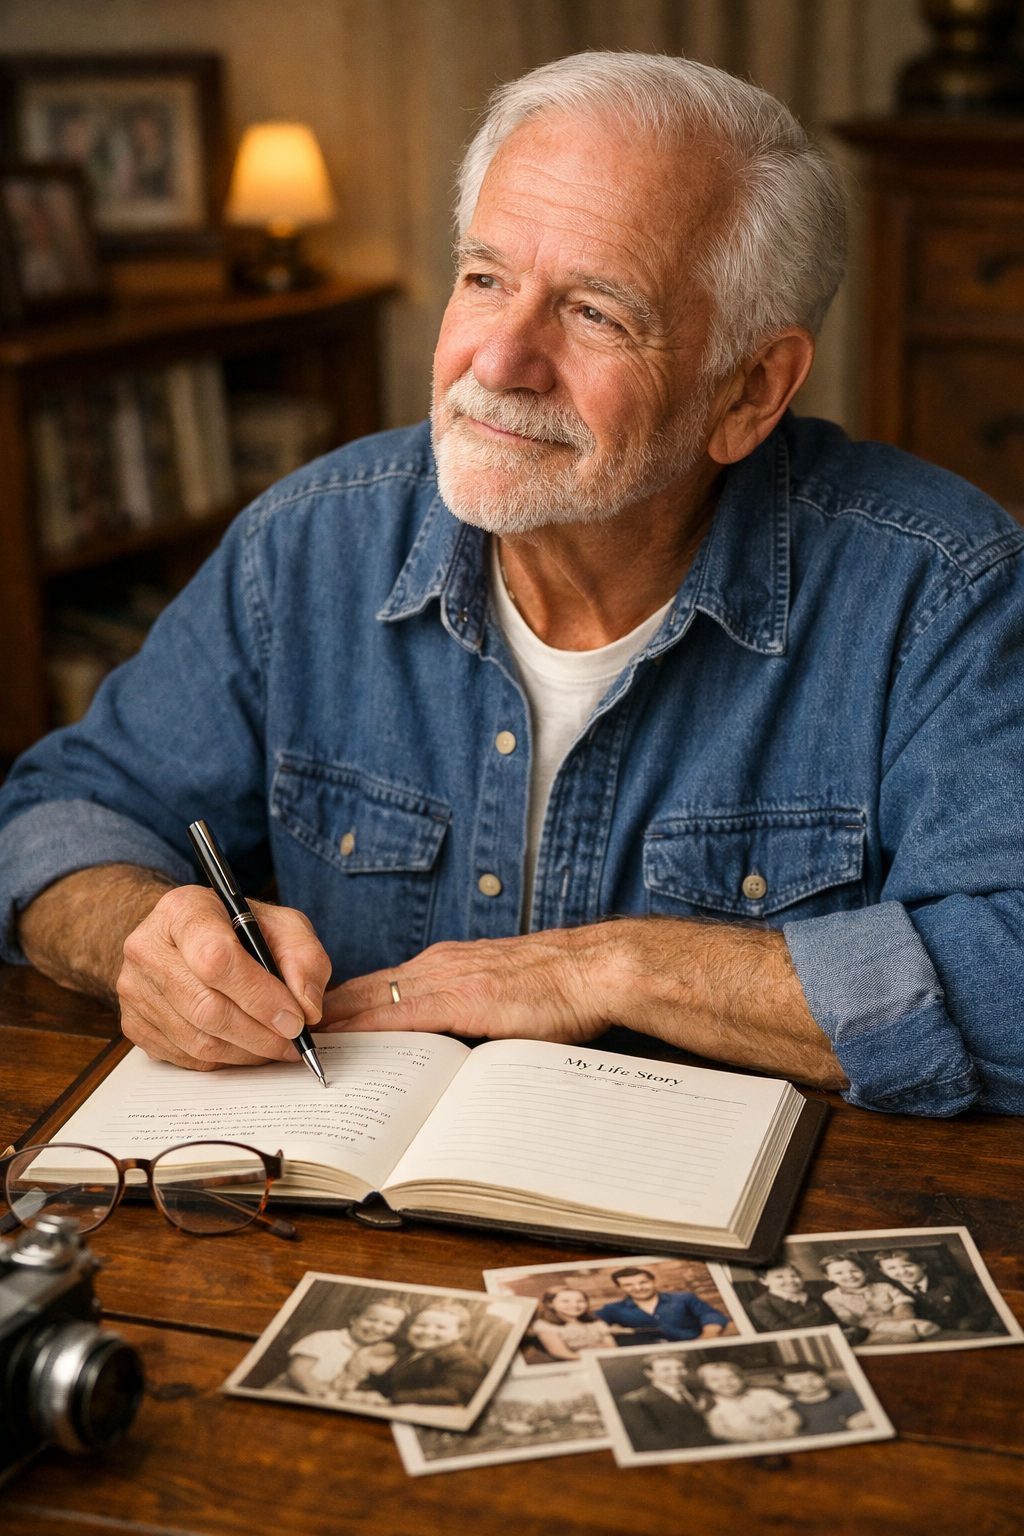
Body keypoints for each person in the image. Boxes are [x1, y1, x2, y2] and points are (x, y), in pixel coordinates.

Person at [1, 53, 1022, 1120]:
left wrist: (610, 970)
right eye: (485, 278)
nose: (498, 360)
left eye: (593, 313)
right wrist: (142, 933)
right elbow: (58, 818)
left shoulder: (939, 594)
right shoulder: (307, 542)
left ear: (749, 389)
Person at [350, 1301, 489, 1408]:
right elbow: (384, 1381)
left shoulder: (463, 1359)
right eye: (421, 1325)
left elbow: (455, 1394)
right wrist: (363, 1391)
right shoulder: (407, 1352)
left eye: (440, 1327)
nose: (427, 1332)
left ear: (459, 1333)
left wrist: (392, 1398)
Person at [282, 1295, 409, 1399]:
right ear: (354, 1319)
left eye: (389, 1324)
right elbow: (298, 1371)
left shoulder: (383, 1354)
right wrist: (321, 1394)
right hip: (290, 1395)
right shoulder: (325, 1338)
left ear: (396, 1331)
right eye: (371, 1319)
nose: (377, 1327)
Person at [819, 1255, 941, 1346]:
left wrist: (903, 1315)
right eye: (839, 1273)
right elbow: (847, 1319)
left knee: (928, 1327)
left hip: (899, 1321)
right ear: (829, 1277)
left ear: (865, 1272)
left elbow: (902, 1303)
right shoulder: (830, 1296)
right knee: (898, 1338)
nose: (849, 1276)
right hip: (866, 1329)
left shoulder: (884, 1286)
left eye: (855, 1271)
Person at [872, 1250, 999, 1335]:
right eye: (892, 1268)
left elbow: (981, 1308)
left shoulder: (952, 1283)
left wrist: (970, 1324)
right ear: (884, 1272)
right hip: (923, 1335)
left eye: (908, 1265)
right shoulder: (891, 1291)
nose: (902, 1271)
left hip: (963, 1330)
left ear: (922, 1265)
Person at [745, 1263, 868, 1346]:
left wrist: (849, 1329)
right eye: (779, 1277)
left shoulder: (814, 1298)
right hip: (802, 1343)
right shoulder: (761, 1304)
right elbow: (782, 1329)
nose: (791, 1280)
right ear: (764, 1281)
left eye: (795, 1275)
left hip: (833, 1338)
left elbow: (833, 1321)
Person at [596, 1267, 728, 1343]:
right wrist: (608, 1332)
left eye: (643, 1282)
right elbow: (588, 1323)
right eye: (628, 1285)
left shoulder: (684, 1298)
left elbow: (709, 1314)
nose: (638, 1288)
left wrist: (709, 1335)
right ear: (619, 1287)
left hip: (693, 1343)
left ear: (654, 1281)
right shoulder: (613, 1308)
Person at [616, 1353, 716, 1452]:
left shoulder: (700, 1393)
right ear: (649, 1373)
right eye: (666, 1369)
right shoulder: (634, 1400)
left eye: (680, 1368)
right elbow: (649, 1439)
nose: (676, 1373)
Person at [697, 1361, 801, 1443]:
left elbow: (791, 1416)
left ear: (742, 1378)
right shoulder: (710, 1403)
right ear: (706, 1384)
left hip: (783, 1437)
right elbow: (719, 1431)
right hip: (746, 1444)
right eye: (715, 1380)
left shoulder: (764, 1394)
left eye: (731, 1377)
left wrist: (789, 1430)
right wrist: (754, 1438)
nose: (725, 1383)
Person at [530, 1285, 619, 1361]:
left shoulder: (595, 1322)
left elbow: (612, 1348)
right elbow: (563, 1354)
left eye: (580, 1301)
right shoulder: (544, 1325)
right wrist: (597, 1352)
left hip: (607, 1362)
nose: (574, 1305)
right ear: (550, 1304)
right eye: (565, 1301)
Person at [779, 1366, 874, 1435]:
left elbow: (875, 1412)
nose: (807, 1383)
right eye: (797, 1381)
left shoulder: (849, 1396)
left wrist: (870, 1415)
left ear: (824, 1378)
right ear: (786, 1386)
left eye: (813, 1377)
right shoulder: (789, 1409)